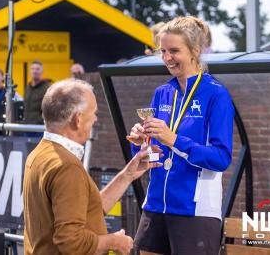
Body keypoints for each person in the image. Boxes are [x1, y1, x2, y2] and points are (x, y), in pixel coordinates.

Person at [127, 16, 235, 255]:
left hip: (194, 210)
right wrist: (141, 145)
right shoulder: (162, 93)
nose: (167, 58)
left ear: (195, 51)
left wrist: (174, 139)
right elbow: (153, 158)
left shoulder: (216, 95)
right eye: (163, 51)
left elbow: (220, 158)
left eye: (174, 51)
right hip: (155, 205)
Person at [23, 79, 162, 255]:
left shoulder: (40, 154)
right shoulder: (66, 167)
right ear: (77, 119)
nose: (96, 119)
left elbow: (87, 210)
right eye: (94, 113)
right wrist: (114, 242)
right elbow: (71, 241)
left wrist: (127, 174)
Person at [24, 60, 51, 125]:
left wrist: (40, 120)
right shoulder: (28, 87)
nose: (35, 71)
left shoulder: (48, 87)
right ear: (30, 71)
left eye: (37, 69)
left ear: (42, 71)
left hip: (40, 127)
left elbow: (50, 108)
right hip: (26, 125)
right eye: (32, 69)